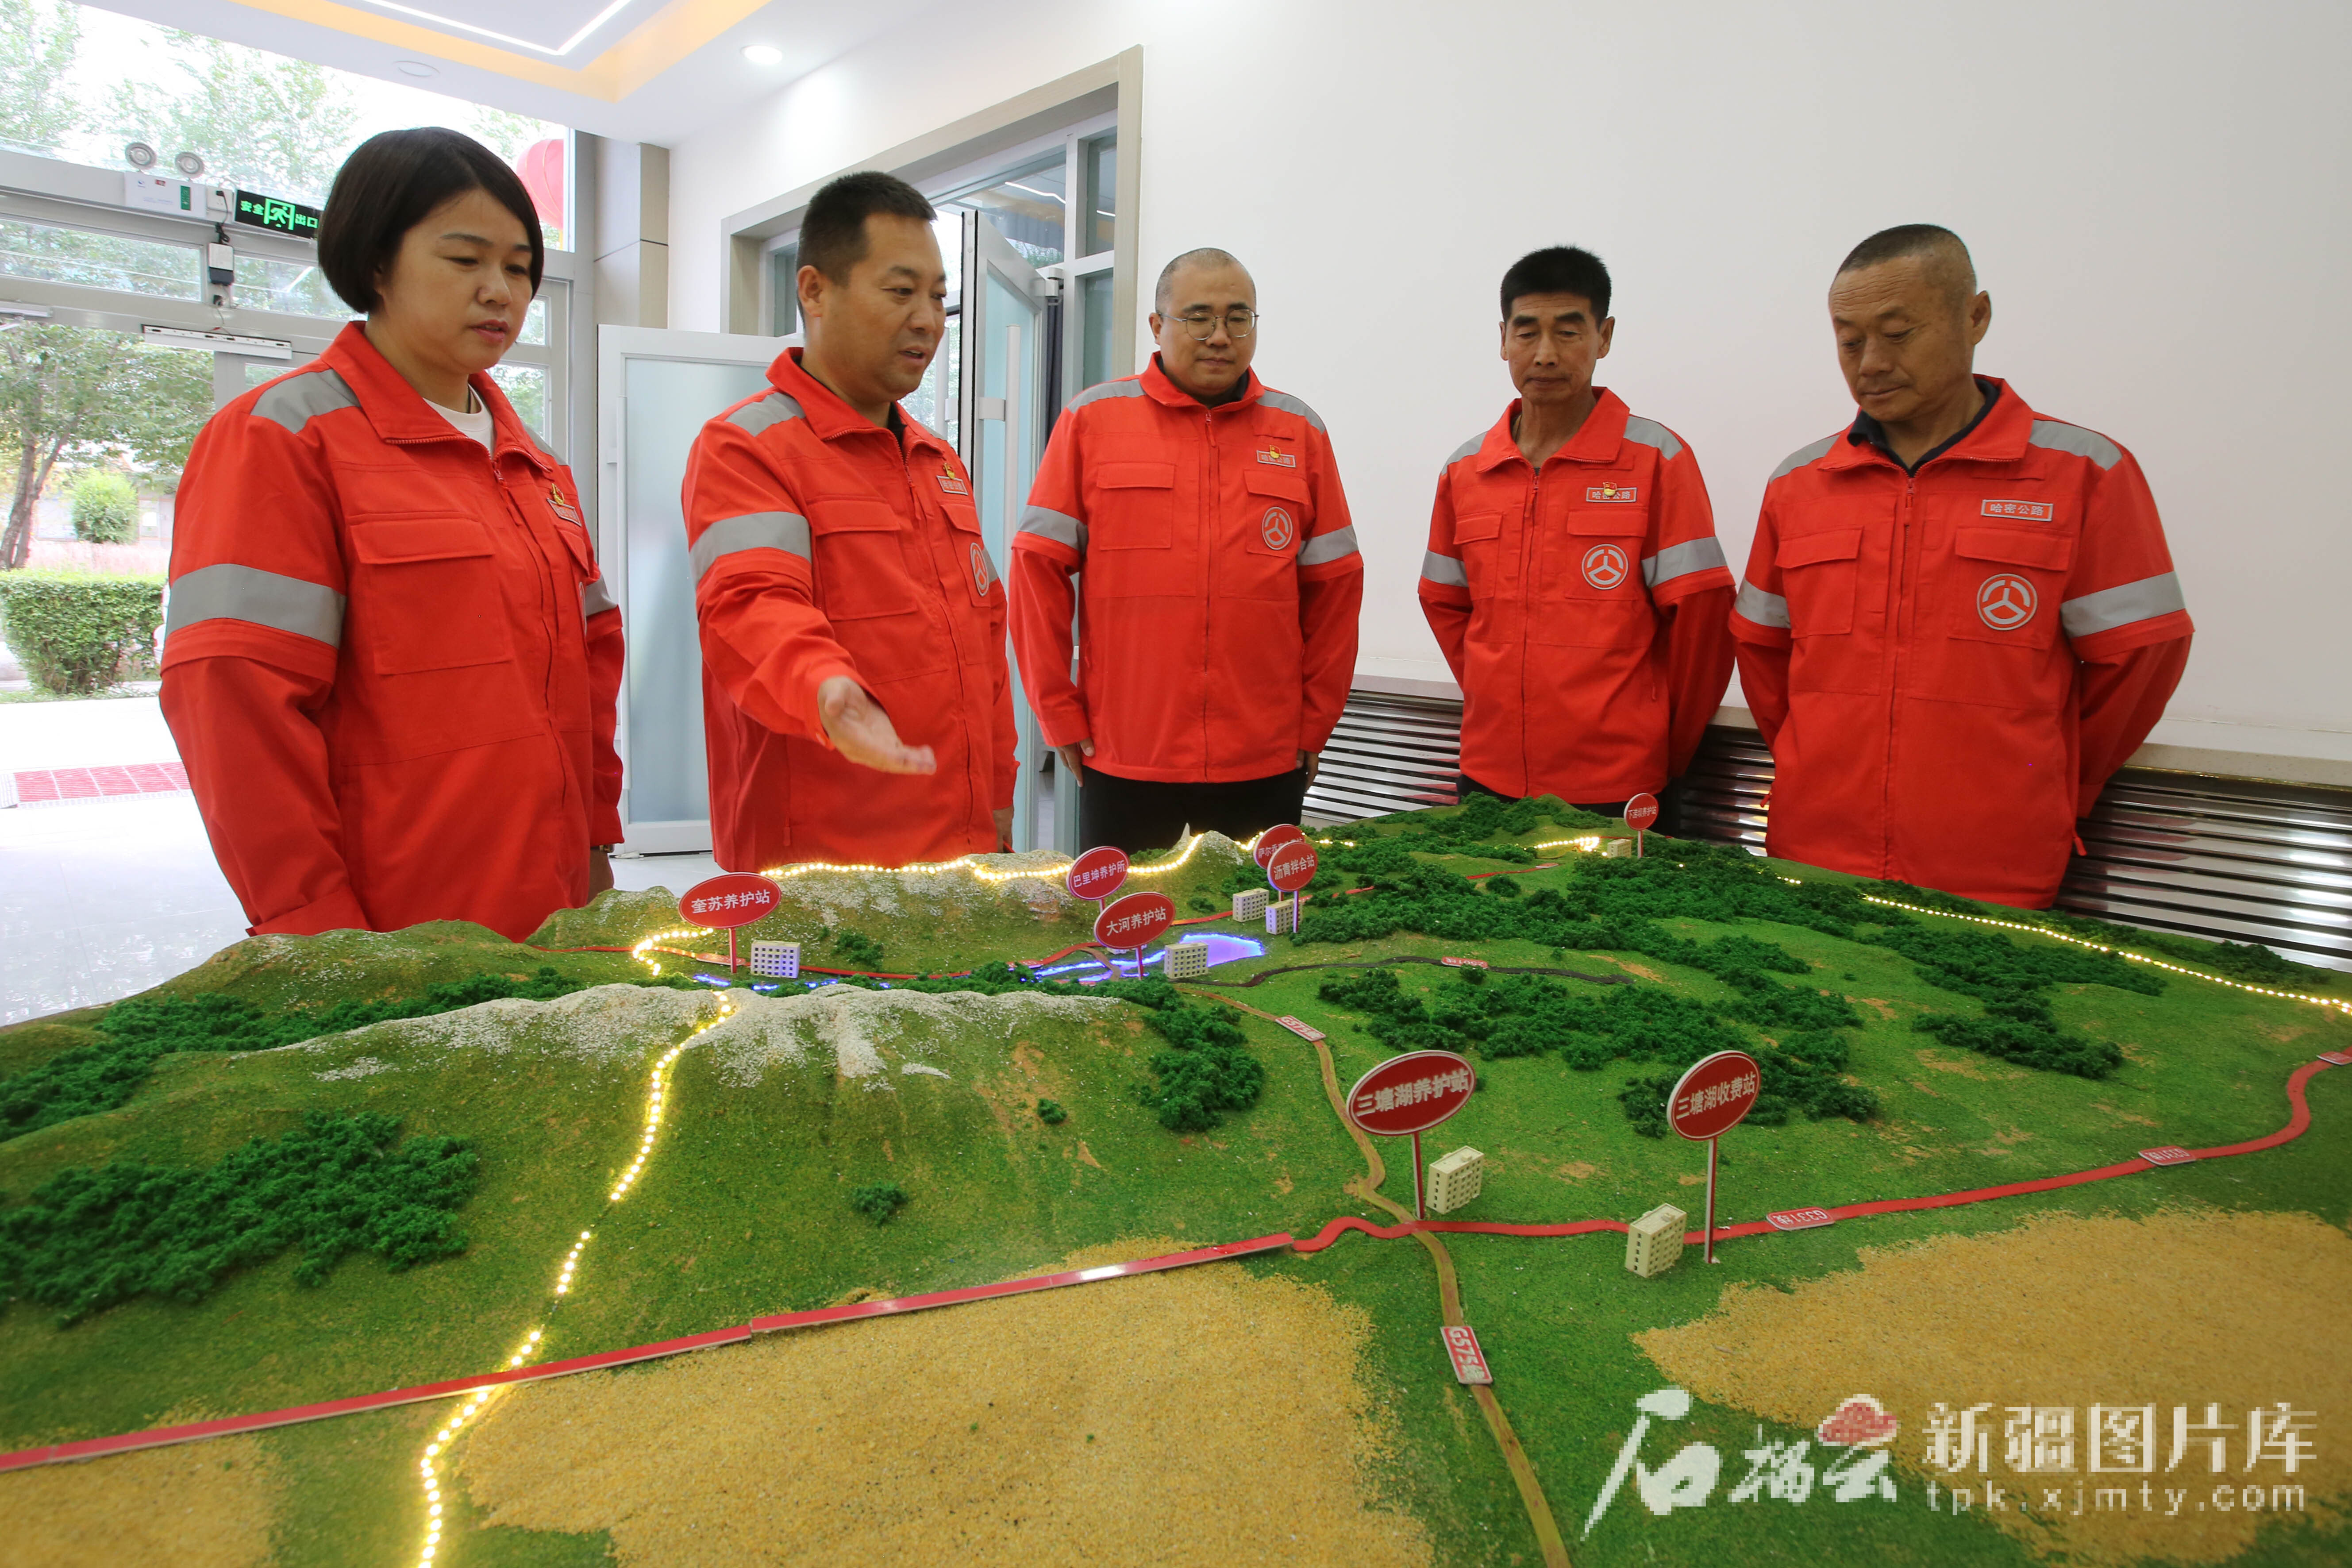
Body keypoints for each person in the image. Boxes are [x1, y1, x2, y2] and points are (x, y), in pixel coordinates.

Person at [161, 128, 620, 941]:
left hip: (553, 908)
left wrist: (593, 844)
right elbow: (234, 704)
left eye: (520, 268)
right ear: (376, 262)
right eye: (464, 259)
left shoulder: (538, 467)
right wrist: (312, 926)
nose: (500, 291)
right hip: (391, 927)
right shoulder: (284, 438)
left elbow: (591, 670)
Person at [1729, 224, 2192, 907]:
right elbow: (1763, 652)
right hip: (1815, 851)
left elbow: (2141, 658)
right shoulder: (1800, 484)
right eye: (1849, 341)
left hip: (1996, 863)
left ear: (1975, 317)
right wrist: (1820, 762)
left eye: (1898, 333)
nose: (1871, 363)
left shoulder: (2084, 473)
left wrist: (2045, 777)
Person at [681, 171, 1012, 871]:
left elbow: (984, 644)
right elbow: (752, 606)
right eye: (901, 291)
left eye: (938, 297)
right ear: (815, 291)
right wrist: (828, 690)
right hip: (825, 872)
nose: (927, 319)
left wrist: (999, 796)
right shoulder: (748, 448)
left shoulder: (938, 461)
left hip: (960, 856)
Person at [1010, 247, 1362, 851]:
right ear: (1157, 325)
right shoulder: (1094, 421)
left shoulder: (1299, 431)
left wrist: (1315, 722)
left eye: (1238, 318)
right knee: (1128, 910)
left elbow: (1336, 587)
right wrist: (1056, 710)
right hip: (1127, 753)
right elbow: (1036, 569)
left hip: (1263, 755)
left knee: (1253, 911)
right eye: (1199, 317)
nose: (1220, 336)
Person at [1418, 246, 1735, 817]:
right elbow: (1445, 603)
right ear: (1503, 339)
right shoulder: (1466, 471)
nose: (1545, 354)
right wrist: (1500, 700)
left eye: (1568, 332)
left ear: (1603, 337)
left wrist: (1662, 740)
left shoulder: (1657, 461)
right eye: (1527, 333)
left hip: (1618, 784)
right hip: (1488, 775)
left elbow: (1702, 620)